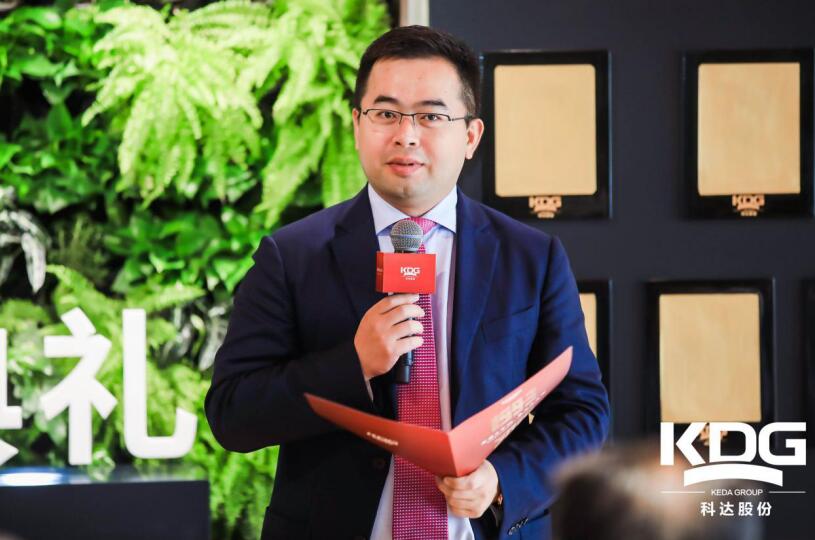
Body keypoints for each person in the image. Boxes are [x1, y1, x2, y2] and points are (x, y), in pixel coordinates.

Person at [205, 25, 609, 540]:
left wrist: (501, 480)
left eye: (431, 116)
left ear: (470, 136)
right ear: (357, 125)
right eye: (386, 113)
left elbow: (582, 413)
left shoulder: (531, 257)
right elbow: (233, 413)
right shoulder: (292, 256)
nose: (406, 135)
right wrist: (353, 365)